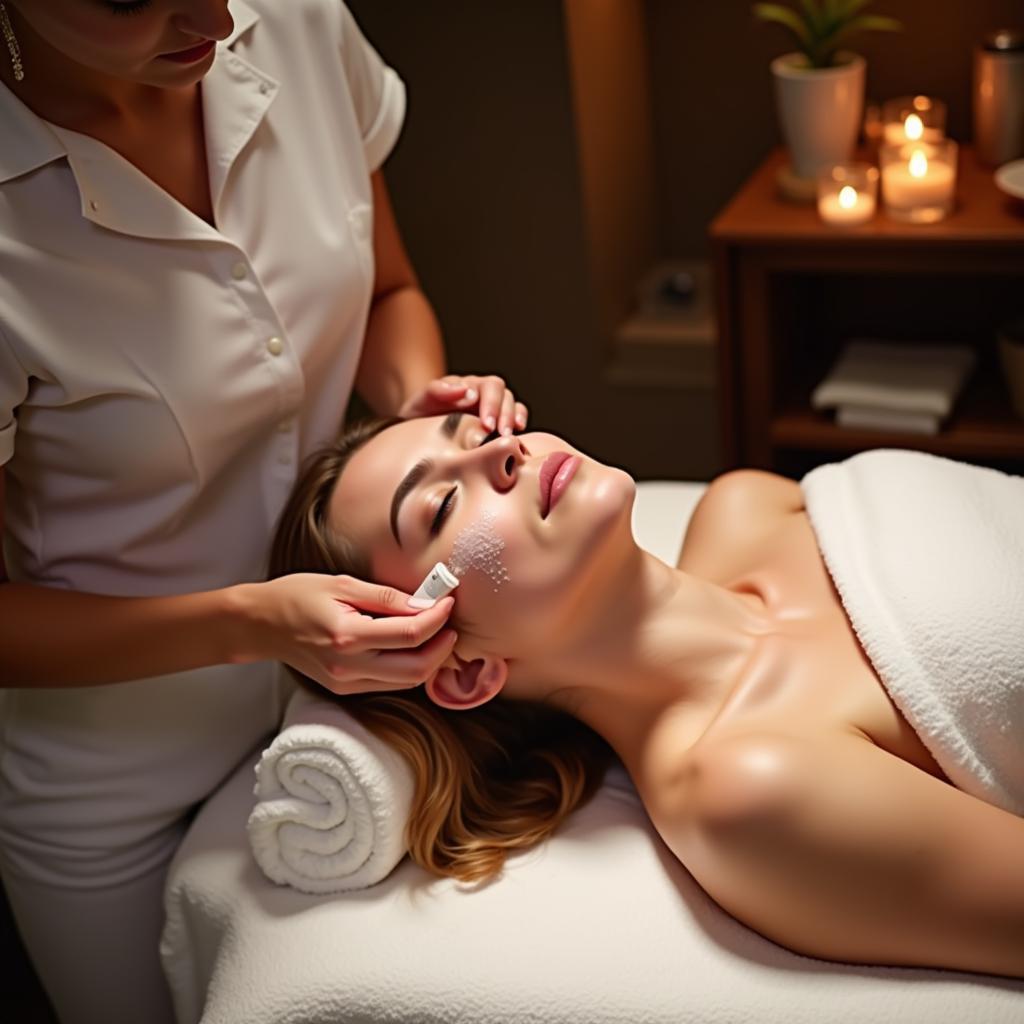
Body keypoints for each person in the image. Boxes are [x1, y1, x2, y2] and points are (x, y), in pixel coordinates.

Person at [0, 3, 528, 1021]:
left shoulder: (290, 19)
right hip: (115, 776)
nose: (216, 16)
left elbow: (388, 290)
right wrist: (251, 623)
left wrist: (415, 406)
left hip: (349, 713)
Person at [266, 411, 1024, 982]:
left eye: (473, 434)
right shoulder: (750, 787)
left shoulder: (745, 505)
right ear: (463, 668)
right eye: (438, 509)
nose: (503, 452)